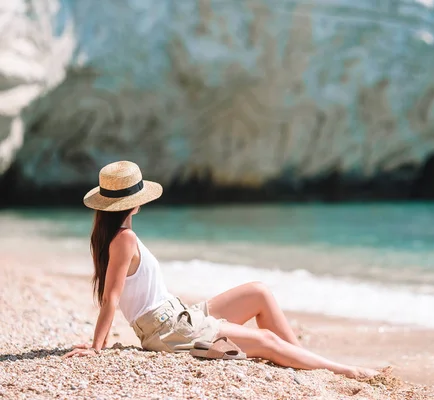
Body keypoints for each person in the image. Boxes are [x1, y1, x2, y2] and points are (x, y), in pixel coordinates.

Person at [64, 161, 379, 380]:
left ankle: (305, 360)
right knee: (267, 340)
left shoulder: (119, 237)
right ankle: (344, 370)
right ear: (134, 202)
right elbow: (111, 298)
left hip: (179, 317)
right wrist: (96, 347)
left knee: (258, 292)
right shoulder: (124, 239)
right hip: (170, 330)